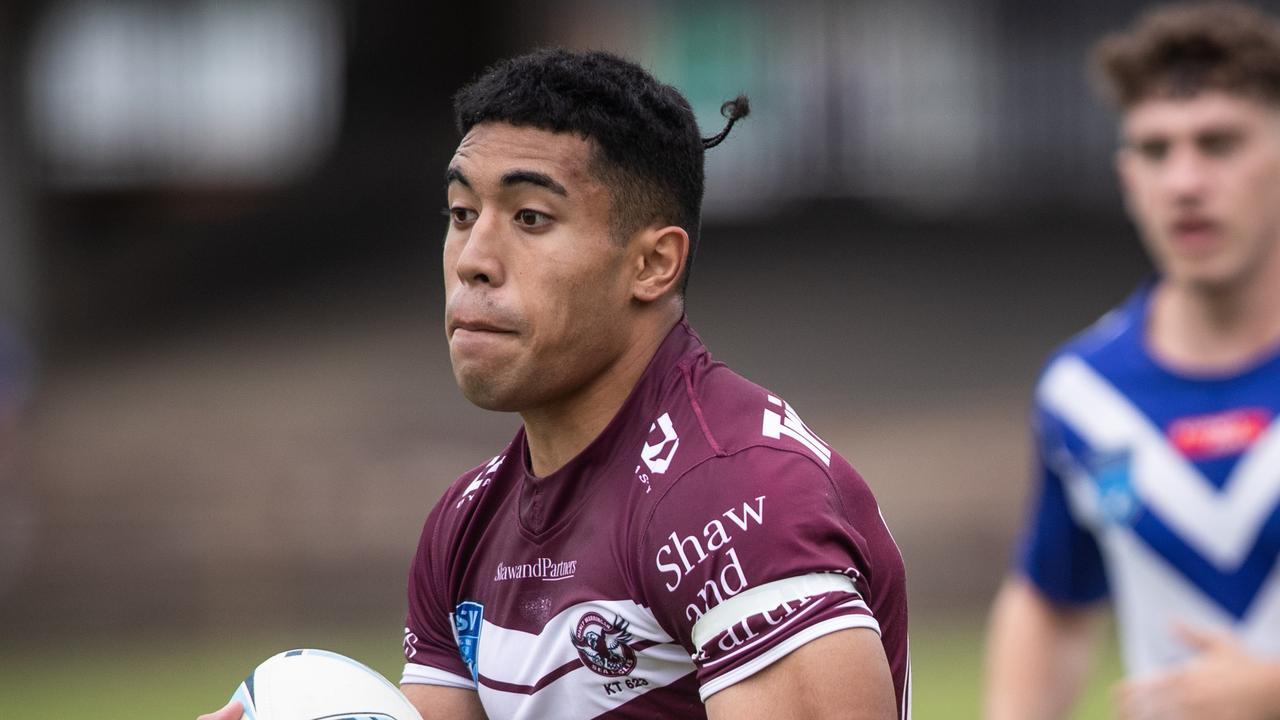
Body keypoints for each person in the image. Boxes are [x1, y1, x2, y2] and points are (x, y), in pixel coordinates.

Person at [201, 49, 909, 720]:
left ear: (653, 264)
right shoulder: (465, 524)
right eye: (460, 215)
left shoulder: (736, 497)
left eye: (530, 218)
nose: (473, 260)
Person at [984, 3, 1280, 719]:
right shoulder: (1083, 396)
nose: (1184, 181)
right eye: (1155, 150)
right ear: (1127, 177)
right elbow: (1051, 600)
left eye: (1219, 143)